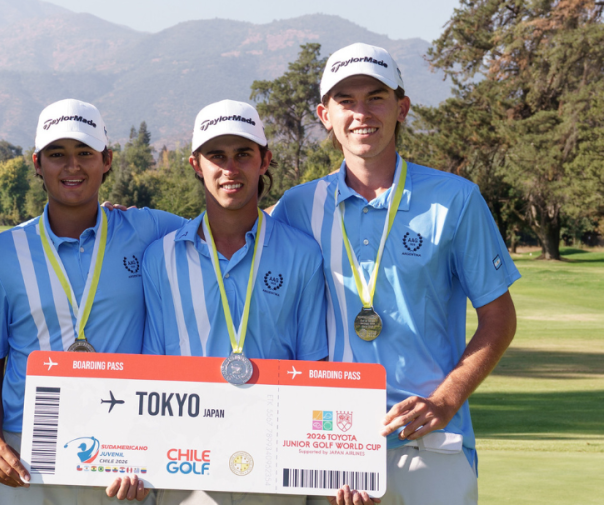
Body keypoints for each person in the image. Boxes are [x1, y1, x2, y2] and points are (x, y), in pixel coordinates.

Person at [271, 43, 520, 505]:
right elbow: (229, 231)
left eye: (376, 97)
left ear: (401, 107)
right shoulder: (297, 207)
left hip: (431, 445)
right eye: (346, 101)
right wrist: (108, 215)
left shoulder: (456, 199)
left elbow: (499, 318)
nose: (361, 113)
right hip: (332, 447)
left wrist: (446, 401)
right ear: (325, 115)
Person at [0, 98, 186, 505]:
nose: (72, 166)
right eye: (57, 155)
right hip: (28, 454)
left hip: (123, 448)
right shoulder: (3, 253)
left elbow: (227, 224)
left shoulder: (149, 228)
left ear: (106, 160)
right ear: (36, 163)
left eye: (85, 153)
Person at [141, 99, 329, 505]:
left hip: (274, 465)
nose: (230, 168)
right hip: (185, 466)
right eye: (217, 155)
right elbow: (152, 371)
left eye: (243, 154)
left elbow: (313, 367)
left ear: (264, 160)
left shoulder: (302, 253)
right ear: (196, 164)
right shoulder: (161, 257)